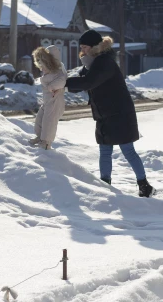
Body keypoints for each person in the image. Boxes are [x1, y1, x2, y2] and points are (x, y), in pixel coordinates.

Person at [65, 30, 154, 197]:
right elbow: (81, 82)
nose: (82, 50)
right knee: (105, 151)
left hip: (120, 114)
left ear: (94, 47)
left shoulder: (105, 62)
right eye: (81, 47)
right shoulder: (92, 63)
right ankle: (105, 184)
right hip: (105, 115)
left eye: (85, 47)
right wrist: (64, 82)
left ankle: (144, 185)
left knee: (128, 150)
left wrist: (64, 82)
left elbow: (89, 82)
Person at [29, 45, 67, 150]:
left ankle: (46, 142)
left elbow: (62, 81)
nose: (41, 68)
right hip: (47, 102)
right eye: (39, 64)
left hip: (55, 102)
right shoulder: (47, 73)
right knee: (40, 120)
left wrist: (51, 86)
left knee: (49, 122)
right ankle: (40, 137)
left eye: (42, 64)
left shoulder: (58, 72)